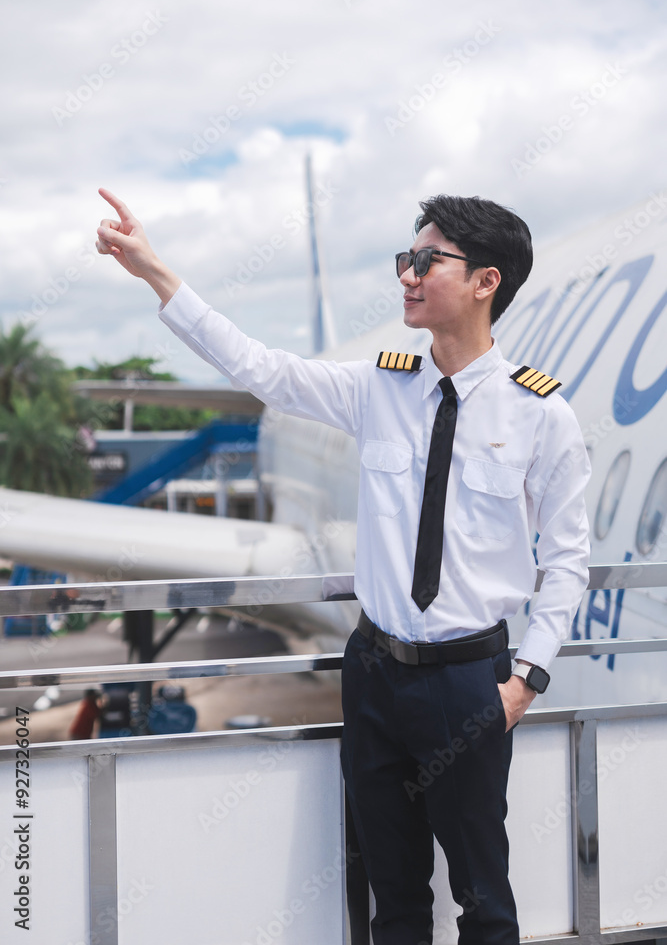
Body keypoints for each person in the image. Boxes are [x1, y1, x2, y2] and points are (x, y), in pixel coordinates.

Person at [95, 188, 590, 945]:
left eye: (427, 261)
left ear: (486, 282)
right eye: (405, 259)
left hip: (467, 681)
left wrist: (526, 679)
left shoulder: (540, 415)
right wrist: (157, 272)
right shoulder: (378, 388)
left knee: (484, 900)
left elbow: (566, 561)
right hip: (372, 674)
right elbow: (262, 370)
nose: (407, 275)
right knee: (390, 899)